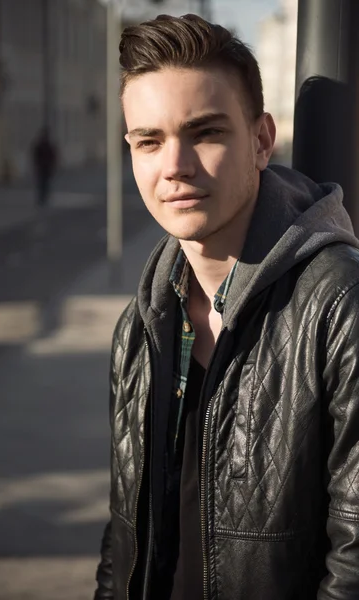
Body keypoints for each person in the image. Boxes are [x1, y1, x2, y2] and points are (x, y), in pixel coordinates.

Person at [94, 13, 359, 600]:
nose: (175, 166)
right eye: (149, 140)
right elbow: (123, 543)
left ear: (262, 140)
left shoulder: (340, 308)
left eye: (206, 133)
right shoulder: (141, 326)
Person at [31, 126, 57, 208]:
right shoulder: (42, 145)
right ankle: (42, 197)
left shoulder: (47, 145)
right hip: (43, 167)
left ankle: (43, 197)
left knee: (44, 183)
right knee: (42, 183)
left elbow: (53, 156)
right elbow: (35, 155)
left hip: (45, 167)